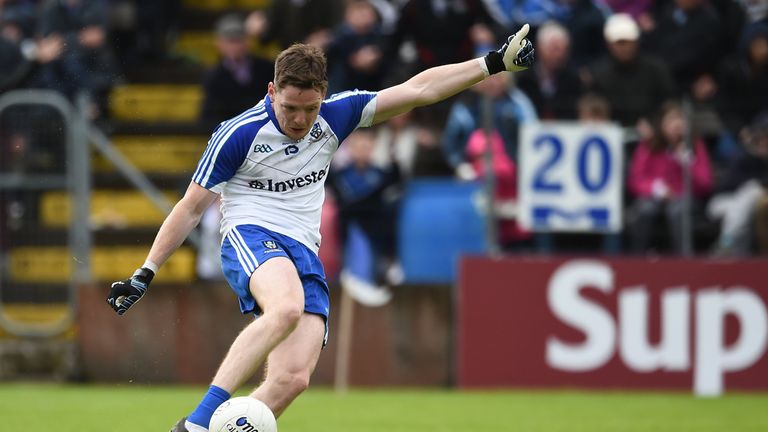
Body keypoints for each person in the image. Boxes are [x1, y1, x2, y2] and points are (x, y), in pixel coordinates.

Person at [105, 24, 535, 432]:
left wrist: (493, 63)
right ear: (271, 91)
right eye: (290, 108)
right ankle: (196, 423)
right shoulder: (238, 133)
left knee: (292, 380)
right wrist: (146, 271)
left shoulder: (337, 115)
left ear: (323, 95)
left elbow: (418, 90)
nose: (299, 120)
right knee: (286, 309)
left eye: (309, 109)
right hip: (251, 234)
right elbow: (190, 208)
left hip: (303, 249)